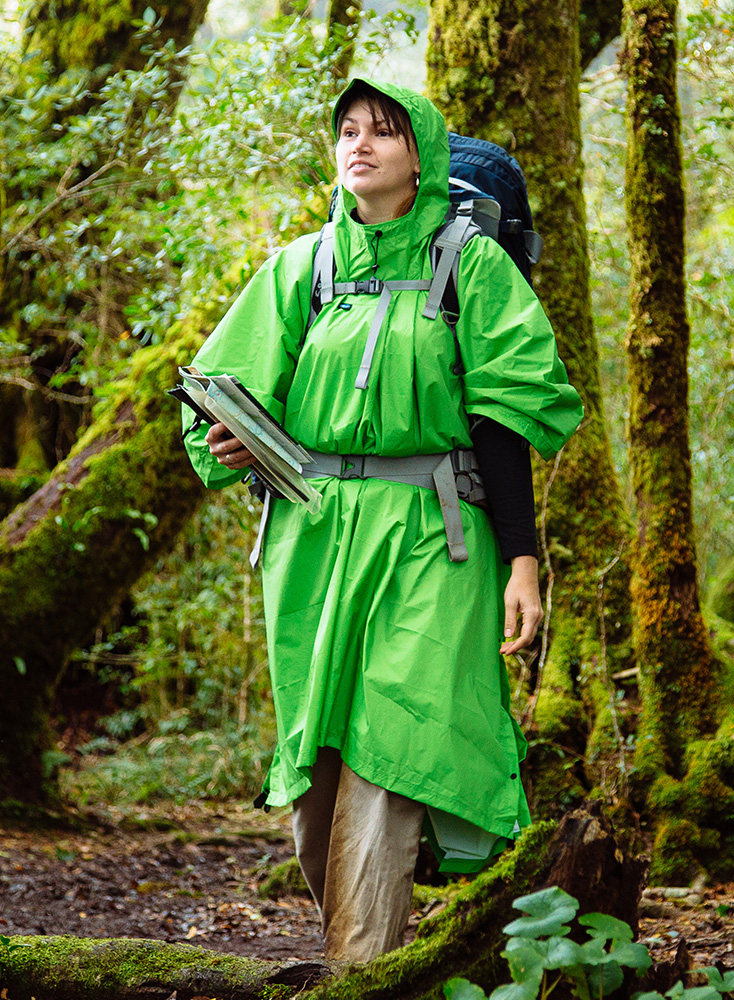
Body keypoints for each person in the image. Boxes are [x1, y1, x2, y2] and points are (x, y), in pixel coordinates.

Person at [182, 78, 583, 963]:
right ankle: (355, 958)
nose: (360, 145)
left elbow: (504, 418)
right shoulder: (302, 268)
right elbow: (233, 390)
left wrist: (522, 561)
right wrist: (236, 440)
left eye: (384, 131)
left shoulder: (473, 266)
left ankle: (361, 969)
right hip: (314, 536)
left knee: (392, 746)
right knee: (317, 772)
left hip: (434, 534)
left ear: (421, 155)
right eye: (349, 131)